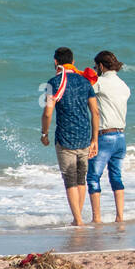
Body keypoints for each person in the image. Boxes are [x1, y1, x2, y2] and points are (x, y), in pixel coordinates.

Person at [41, 47, 99, 227]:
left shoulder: (53, 83)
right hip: (84, 136)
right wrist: (94, 139)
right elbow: (95, 113)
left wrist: (44, 133)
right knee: (81, 179)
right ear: (73, 62)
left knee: (70, 180)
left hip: (65, 138)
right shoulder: (85, 82)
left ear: (55, 62)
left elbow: (48, 112)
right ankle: (77, 218)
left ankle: (79, 220)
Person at [88, 50, 130, 224]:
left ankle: (96, 218)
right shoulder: (124, 85)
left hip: (105, 136)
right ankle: (120, 216)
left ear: (101, 66)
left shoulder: (100, 82)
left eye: (96, 66)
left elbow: (87, 93)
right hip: (121, 137)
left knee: (93, 177)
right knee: (116, 177)